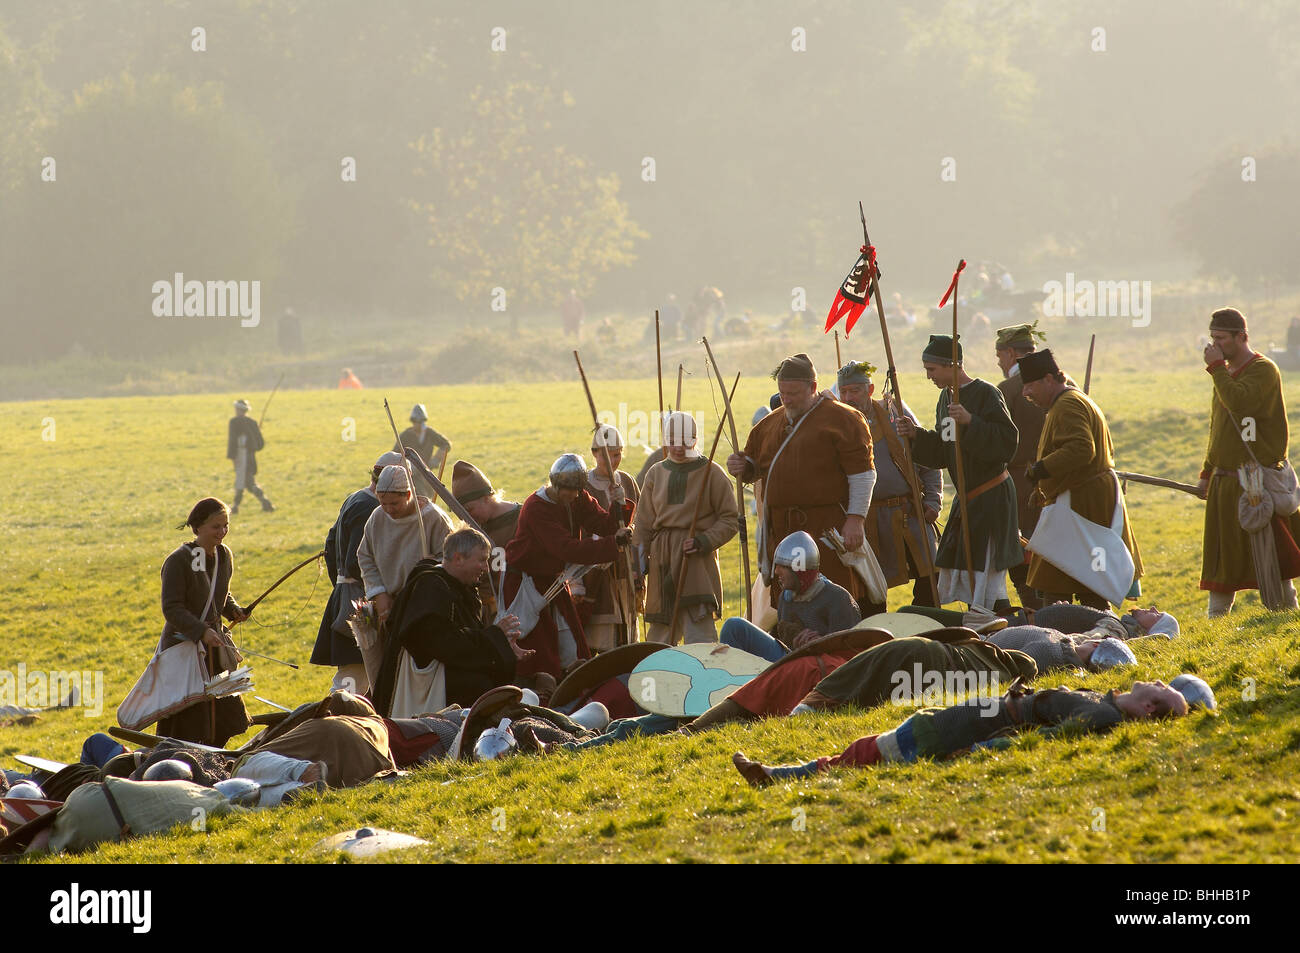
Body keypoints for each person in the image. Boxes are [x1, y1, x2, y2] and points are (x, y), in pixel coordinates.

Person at [734, 676, 1211, 786]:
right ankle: (781, 774)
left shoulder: (1103, 718)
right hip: (981, 710)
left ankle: (780, 777)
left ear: (1149, 709)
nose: (1153, 680)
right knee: (871, 748)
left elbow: (1044, 738)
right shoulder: (1104, 703)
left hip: (978, 725)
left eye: (1161, 689)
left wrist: (979, 749)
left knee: (873, 752)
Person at [729, 353, 876, 608]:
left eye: (793, 393)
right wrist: (742, 466)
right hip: (783, 530)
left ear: (813, 387)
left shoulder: (845, 419)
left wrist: (856, 519)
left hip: (827, 529)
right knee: (788, 601)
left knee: (834, 598)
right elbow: (756, 466)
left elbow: (863, 474)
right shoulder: (768, 425)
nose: (786, 399)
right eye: (782, 392)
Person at [896, 335, 1020, 611]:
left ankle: (999, 624)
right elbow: (944, 450)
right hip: (968, 500)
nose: (929, 377)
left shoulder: (986, 393)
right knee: (966, 570)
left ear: (952, 365)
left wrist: (971, 421)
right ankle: (981, 624)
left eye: (933, 370)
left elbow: (1007, 443)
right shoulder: (945, 398)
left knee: (986, 571)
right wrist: (916, 436)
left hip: (991, 497)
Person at [1020, 348, 1142, 609]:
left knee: (1071, 581)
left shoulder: (1069, 404)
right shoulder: (1068, 402)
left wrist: (1041, 469)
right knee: (1070, 578)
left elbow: (1081, 449)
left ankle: (1080, 635)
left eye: (1030, 385)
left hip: (1081, 503)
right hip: (1078, 500)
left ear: (1048, 380)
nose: (1025, 393)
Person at [1197, 308, 1300, 616]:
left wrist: (1216, 368)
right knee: (1223, 559)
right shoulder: (1224, 375)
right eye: (1213, 338)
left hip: (1257, 484)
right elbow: (1220, 428)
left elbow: (1240, 403)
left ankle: (1287, 615)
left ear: (1241, 337)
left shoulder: (1263, 370)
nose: (1215, 346)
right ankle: (1215, 622)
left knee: (1273, 555)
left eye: (1222, 339)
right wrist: (1207, 471)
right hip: (1224, 482)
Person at [502, 453, 635, 684]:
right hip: (526, 584)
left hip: (554, 582)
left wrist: (618, 504)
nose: (573, 496)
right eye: (569, 491)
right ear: (556, 484)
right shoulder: (536, 508)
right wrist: (614, 543)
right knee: (536, 653)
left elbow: (606, 526)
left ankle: (571, 699)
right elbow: (567, 549)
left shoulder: (578, 498)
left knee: (573, 647)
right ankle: (535, 701)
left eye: (577, 491)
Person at [371, 528, 532, 716]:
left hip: (446, 669)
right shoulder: (430, 588)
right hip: (428, 680)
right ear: (458, 558)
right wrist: (495, 637)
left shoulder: (456, 585)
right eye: (481, 560)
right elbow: (441, 644)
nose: (486, 568)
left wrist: (501, 644)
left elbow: (463, 636)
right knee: (481, 687)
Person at [836, 360, 941, 607]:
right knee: (869, 592)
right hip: (866, 520)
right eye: (844, 391)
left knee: (931, 583)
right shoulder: (837, 422)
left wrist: (933, 500)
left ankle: (925, 636)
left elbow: (926, 459)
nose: (848, 397)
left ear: (870, 390)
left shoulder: (895, 412)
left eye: (855, 391)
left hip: (909, 514)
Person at [155, 498, 252, 746]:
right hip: (183, 648)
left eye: (225, 525)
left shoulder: (224, 555)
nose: (222, 532)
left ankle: (215, 758)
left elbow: (220, 593)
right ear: (197, 527)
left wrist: (234, 611)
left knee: (223, 716)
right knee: (187, 721)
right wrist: (201, 632)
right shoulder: (178, 560)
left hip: (213, 649)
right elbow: (172, 608)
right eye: (215, 526)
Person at [637, 412, 739, 643]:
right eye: (672, 440)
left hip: (695, 562)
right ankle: (657, 676)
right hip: (662, 560)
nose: (677, 447)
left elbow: (730, 519)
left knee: (699, 635)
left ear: (694, 439)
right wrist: (638, 563)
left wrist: (704, 541)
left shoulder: (712, 473)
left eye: (684, 440)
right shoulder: (656, 473)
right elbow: (643, 524)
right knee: (659, 639)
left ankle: (704, 677)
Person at [309, 450, 403, 695]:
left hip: (348, 594)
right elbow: (356, 562)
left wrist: (341, 589)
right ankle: (337, 726)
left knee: (367, 680)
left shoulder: (357, 498)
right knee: (354, 681)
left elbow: (330, 548)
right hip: (362, 599)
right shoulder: (369, 507)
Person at [355, 464, 456, 686]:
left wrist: (432, 565)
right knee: (390, 672)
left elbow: (451, 562)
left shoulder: (433, 519)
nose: (388, 509)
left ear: (409, 494)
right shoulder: (377, 517)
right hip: (389, 609)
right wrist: (379, 593)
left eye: (395, 503)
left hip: (424, 609)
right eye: (383, 503)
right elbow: (365, 557)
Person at [717, 531, 860, 660]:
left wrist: (820, 645)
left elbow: (849, 657)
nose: (777, 572)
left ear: (800, 569)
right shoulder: (785, 598)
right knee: (734, 627)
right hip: (790, 660)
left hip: (819, 669)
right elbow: (785, 644)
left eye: (782, 566)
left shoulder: (838, 599)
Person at [995, 322, 1047, 609]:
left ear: (1012, 354)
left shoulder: (1008, 389)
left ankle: (1038, 613)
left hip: (1020, 484)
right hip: (1059, 484)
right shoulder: (1067, 384)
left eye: (1000, 356)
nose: (1000, 363)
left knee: (1023, 553)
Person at [581, 425, 643, 651]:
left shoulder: (626, 481)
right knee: (599, 636)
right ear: (595, 453)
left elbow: (638, 522)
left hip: (624, 568)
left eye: (617, 454)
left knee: (625, 635)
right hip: (596, 572)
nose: (612, 460)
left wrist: (637, 564)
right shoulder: (583, 486)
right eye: (606, 455)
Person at [227, 400, 273, 515]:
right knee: (245, 482)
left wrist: (233, 457)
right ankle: (237, 506)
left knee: (246, 482)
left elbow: (232, 441)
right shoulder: (252, 423)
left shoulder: (234, 422)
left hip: (241, 457)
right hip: (250, 457)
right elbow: (260, 444)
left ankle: (263, 503)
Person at [396, 404, 451, 499]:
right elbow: (395, 453)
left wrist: (435, 460)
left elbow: (446, 445)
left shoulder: (429, 433)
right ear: (413, 421)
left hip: (427, 473)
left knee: (429, 497)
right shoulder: (405, 435)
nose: (418, 424)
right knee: (419, 498)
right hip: (412, 475)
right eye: (416, 421)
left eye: (421, 421)